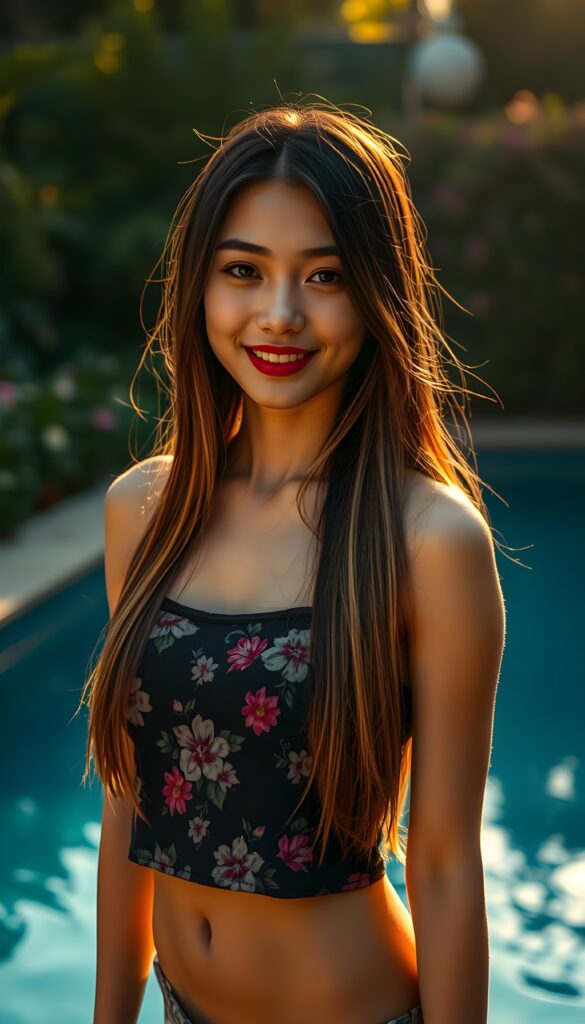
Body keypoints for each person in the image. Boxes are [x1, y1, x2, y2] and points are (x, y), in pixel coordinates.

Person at [83, 99, 506, 1024]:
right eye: (243, 270)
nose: (278, 315)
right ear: (201, 286)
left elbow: (442, 863)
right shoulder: (144, 510)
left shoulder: (427, 539)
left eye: (324, 276)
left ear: (377, 295)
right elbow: (129, 803)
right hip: (182, 1004)